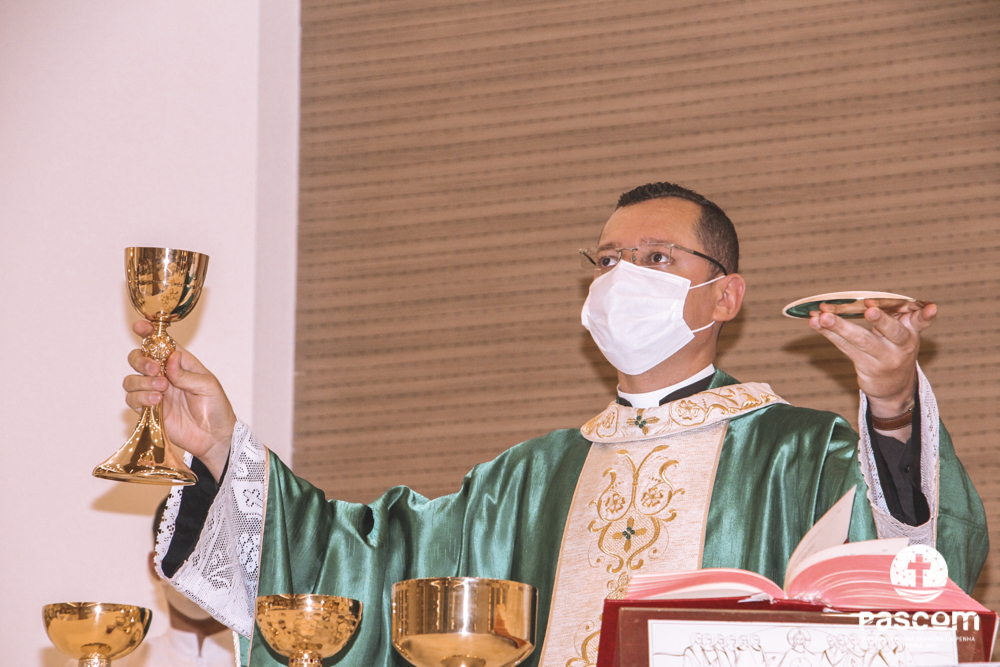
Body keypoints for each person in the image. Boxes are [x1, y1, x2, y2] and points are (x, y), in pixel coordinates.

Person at [128, 183, 988, 667]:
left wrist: (893, 404)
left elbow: (913, 571)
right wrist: (220, 449)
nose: (621, 277)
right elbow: (363, 563)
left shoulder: (799, 453)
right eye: (607, 260)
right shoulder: (528, 479)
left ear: (724, 295)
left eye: (655, 258)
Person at [67, 500, 235, 667]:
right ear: (155, 565)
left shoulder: (251, 659)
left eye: (215, 553)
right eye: (182, 552)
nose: (196, 570)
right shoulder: (106, 662)